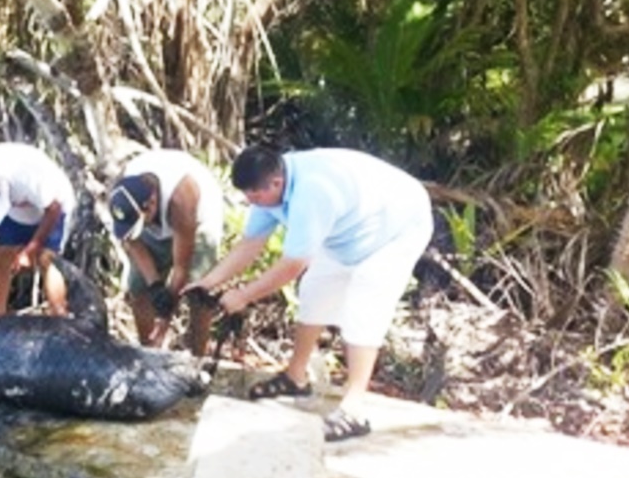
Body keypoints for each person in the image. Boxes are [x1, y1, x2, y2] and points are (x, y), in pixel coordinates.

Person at [186, 144, 432, 441]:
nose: (252, 202)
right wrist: (207, 283)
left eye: (255, 195)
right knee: (314, 293)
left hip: (397, 228)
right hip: (347, 231)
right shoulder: (269, 190)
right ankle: (295, 377)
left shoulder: (312, 192)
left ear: (276, 183)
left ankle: (354, 409)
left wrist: (243, 296)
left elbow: (293, 264)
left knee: (363, 310)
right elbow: (250, 244)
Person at [107, 149, 224, 356]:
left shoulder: (182, 199)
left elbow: (181, 268)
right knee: (138, 287)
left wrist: (165, 313)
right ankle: (149, 354)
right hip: (155, 224)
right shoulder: (122, 194)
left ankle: (198, 358)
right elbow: (131, 242)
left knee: (199, 292)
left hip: (198, 222)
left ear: (151, 204)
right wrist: (155, 285)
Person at [0, 143, 76, 315]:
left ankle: (60, 315)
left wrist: (31, 250)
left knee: (47, 259)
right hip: (14, 211)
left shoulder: (25, 173)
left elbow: (53, 209)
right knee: (1, 258)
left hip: (52, 207)